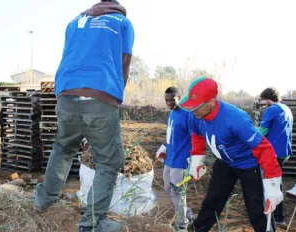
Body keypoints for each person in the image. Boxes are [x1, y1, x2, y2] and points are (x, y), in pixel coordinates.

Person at [33, 0, 134, 231]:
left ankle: (43, 201)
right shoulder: (123, 22)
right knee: (109, 162)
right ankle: (91, 223)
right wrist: (115, 97)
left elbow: (72, 54)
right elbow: (124, 62)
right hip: (100, 94)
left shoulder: (74, 21)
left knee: (63, 147)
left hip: (66, 94)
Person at [178, 77, 283, 232]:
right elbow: (197, 135)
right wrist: (196, 160)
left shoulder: (235, 119)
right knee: (211, 201)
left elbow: (264, 149)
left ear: (211, 102)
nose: (193, 110)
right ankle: (196, 230)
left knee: (257, 208)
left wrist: (273, 186)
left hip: (249, 165)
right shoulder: (195, 115)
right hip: (225, 163)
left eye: (197, 106)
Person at [258, 87, 293, 225]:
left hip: (273, 152)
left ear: (267, 99)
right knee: (276, 183)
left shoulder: (271, 110)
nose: (263, 103)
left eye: (263, 100)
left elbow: (262, 130)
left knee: (269, 184)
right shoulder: (286, 109)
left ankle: (273, 218)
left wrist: (247, 135)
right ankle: (279, 217)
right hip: (284, 152)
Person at [159, 87, 193, 230]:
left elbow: (196, 138)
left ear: (179, 97)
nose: (169, 103)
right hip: (170, 159)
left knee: (177, 192)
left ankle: (182, 225)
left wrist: (195, 160)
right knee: (168, 188)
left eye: (172, 100)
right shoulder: (172, 114)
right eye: (166, 100)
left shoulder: (188, 115)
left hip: (181, 162)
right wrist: (163, 149)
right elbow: (170, 136)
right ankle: (187, 214)